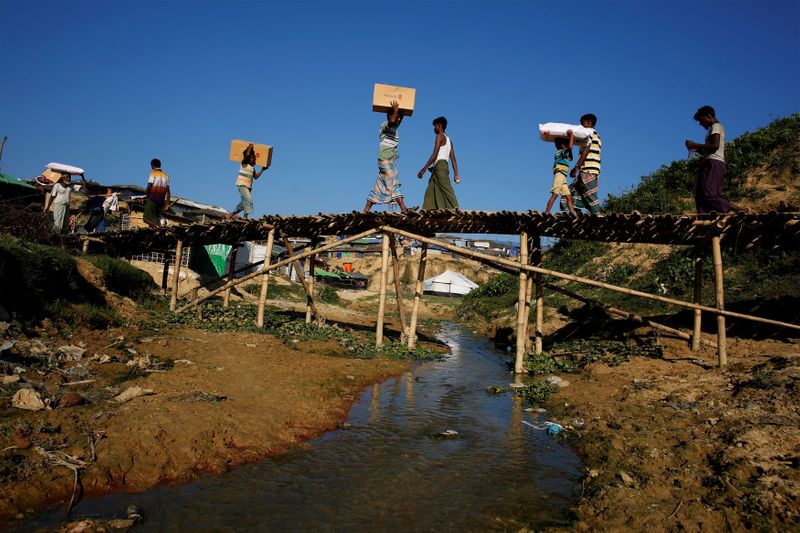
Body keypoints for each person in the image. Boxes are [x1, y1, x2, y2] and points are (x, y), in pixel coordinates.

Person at [685, 105, 740, 213]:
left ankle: (736, 209)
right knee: (699, 192)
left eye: (701, 121)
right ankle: (703, 215)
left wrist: (695, 144)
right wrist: (696, 148)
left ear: (708, 116)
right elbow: (710, 149)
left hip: (714, 163)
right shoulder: (713, 129)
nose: (701, 124)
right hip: (709, 162)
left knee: (710, 193)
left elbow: (715, 146)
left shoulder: (716, 126)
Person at [364, 100, 408, 213]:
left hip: (390, 162)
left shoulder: (395, 130)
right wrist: (395, 109)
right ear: (390, 116)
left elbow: (397, 121)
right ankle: (403, 207)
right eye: (396, 117)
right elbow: (393, 121)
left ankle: (366, 210)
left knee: (380, 184)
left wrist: (401, 112)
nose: (398, 120)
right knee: (393, 181)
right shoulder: (385, 125)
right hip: (384, 159)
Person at [561, 113, 601, 214]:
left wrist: (577, 166)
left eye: (582, 124)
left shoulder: (590, 132)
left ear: (589, 122)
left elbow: (587, 149)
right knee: (572, 192)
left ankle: (598, 217)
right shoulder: (591, 135)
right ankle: (576, 214)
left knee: (589, 195)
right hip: (585, 170)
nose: (581, 127)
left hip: (589, 170)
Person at [418, 116, 460, 209]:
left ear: (440, 126)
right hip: (441, 166)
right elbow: (453, 158)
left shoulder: (439, 136)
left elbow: (435, 153)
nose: (434, 128)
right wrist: (456, 173)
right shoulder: (449, 140)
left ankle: (456, 208)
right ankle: (428, 209)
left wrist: (424, 169)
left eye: (435, 126)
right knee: (431, 188)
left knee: (446, 188)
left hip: (440, 166)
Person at [228, 144, 266, 219]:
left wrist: (262, 170)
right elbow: (247, 155)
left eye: (254, 158)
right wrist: (250, 147)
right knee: (249, 200)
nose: (254, 159)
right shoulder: (244, 164)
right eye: (253, 158)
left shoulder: (252, 168)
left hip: (249, 187)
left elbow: (255, 177)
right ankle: (245, 216)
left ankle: (230, 215)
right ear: (248, 159)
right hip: (242, 185)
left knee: (243, 203)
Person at [545, 130, 577, 215]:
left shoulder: (563, 154)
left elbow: (570, 158)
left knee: (569, 197)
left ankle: (573, 213)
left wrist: (570, 148)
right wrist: (571, 137)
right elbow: (570, 148)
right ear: (563, 145)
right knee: (554, 195)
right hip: (559, 175)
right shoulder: (559, 152)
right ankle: (547, 213)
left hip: (563, 178)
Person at [143, 159, 170, 227]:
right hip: (161, 201)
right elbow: (168, 191)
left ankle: (158, 226)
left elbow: (149, 186)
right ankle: (156, 227)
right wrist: (167, 203)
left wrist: (145, 195)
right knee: (154, 218)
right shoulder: (166, 176)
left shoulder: (153, 174)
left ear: (152, 165)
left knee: (145, 218)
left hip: (152, 199)